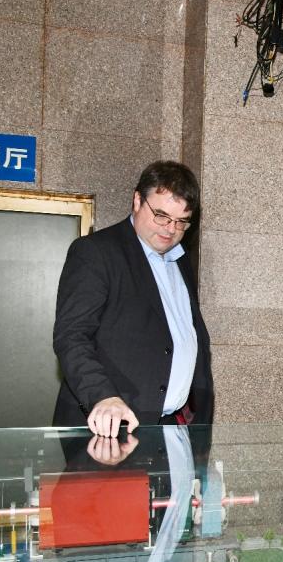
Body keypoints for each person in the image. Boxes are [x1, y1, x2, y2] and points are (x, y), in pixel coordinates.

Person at [53, 160, 213, 437]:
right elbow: (72, 336)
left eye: (181, 222)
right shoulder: (96, 252)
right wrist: (103, 396)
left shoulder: (180, 261)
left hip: (173, 425)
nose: (170, 229)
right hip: (111, 426)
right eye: (161, 216)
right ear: (137, 200)